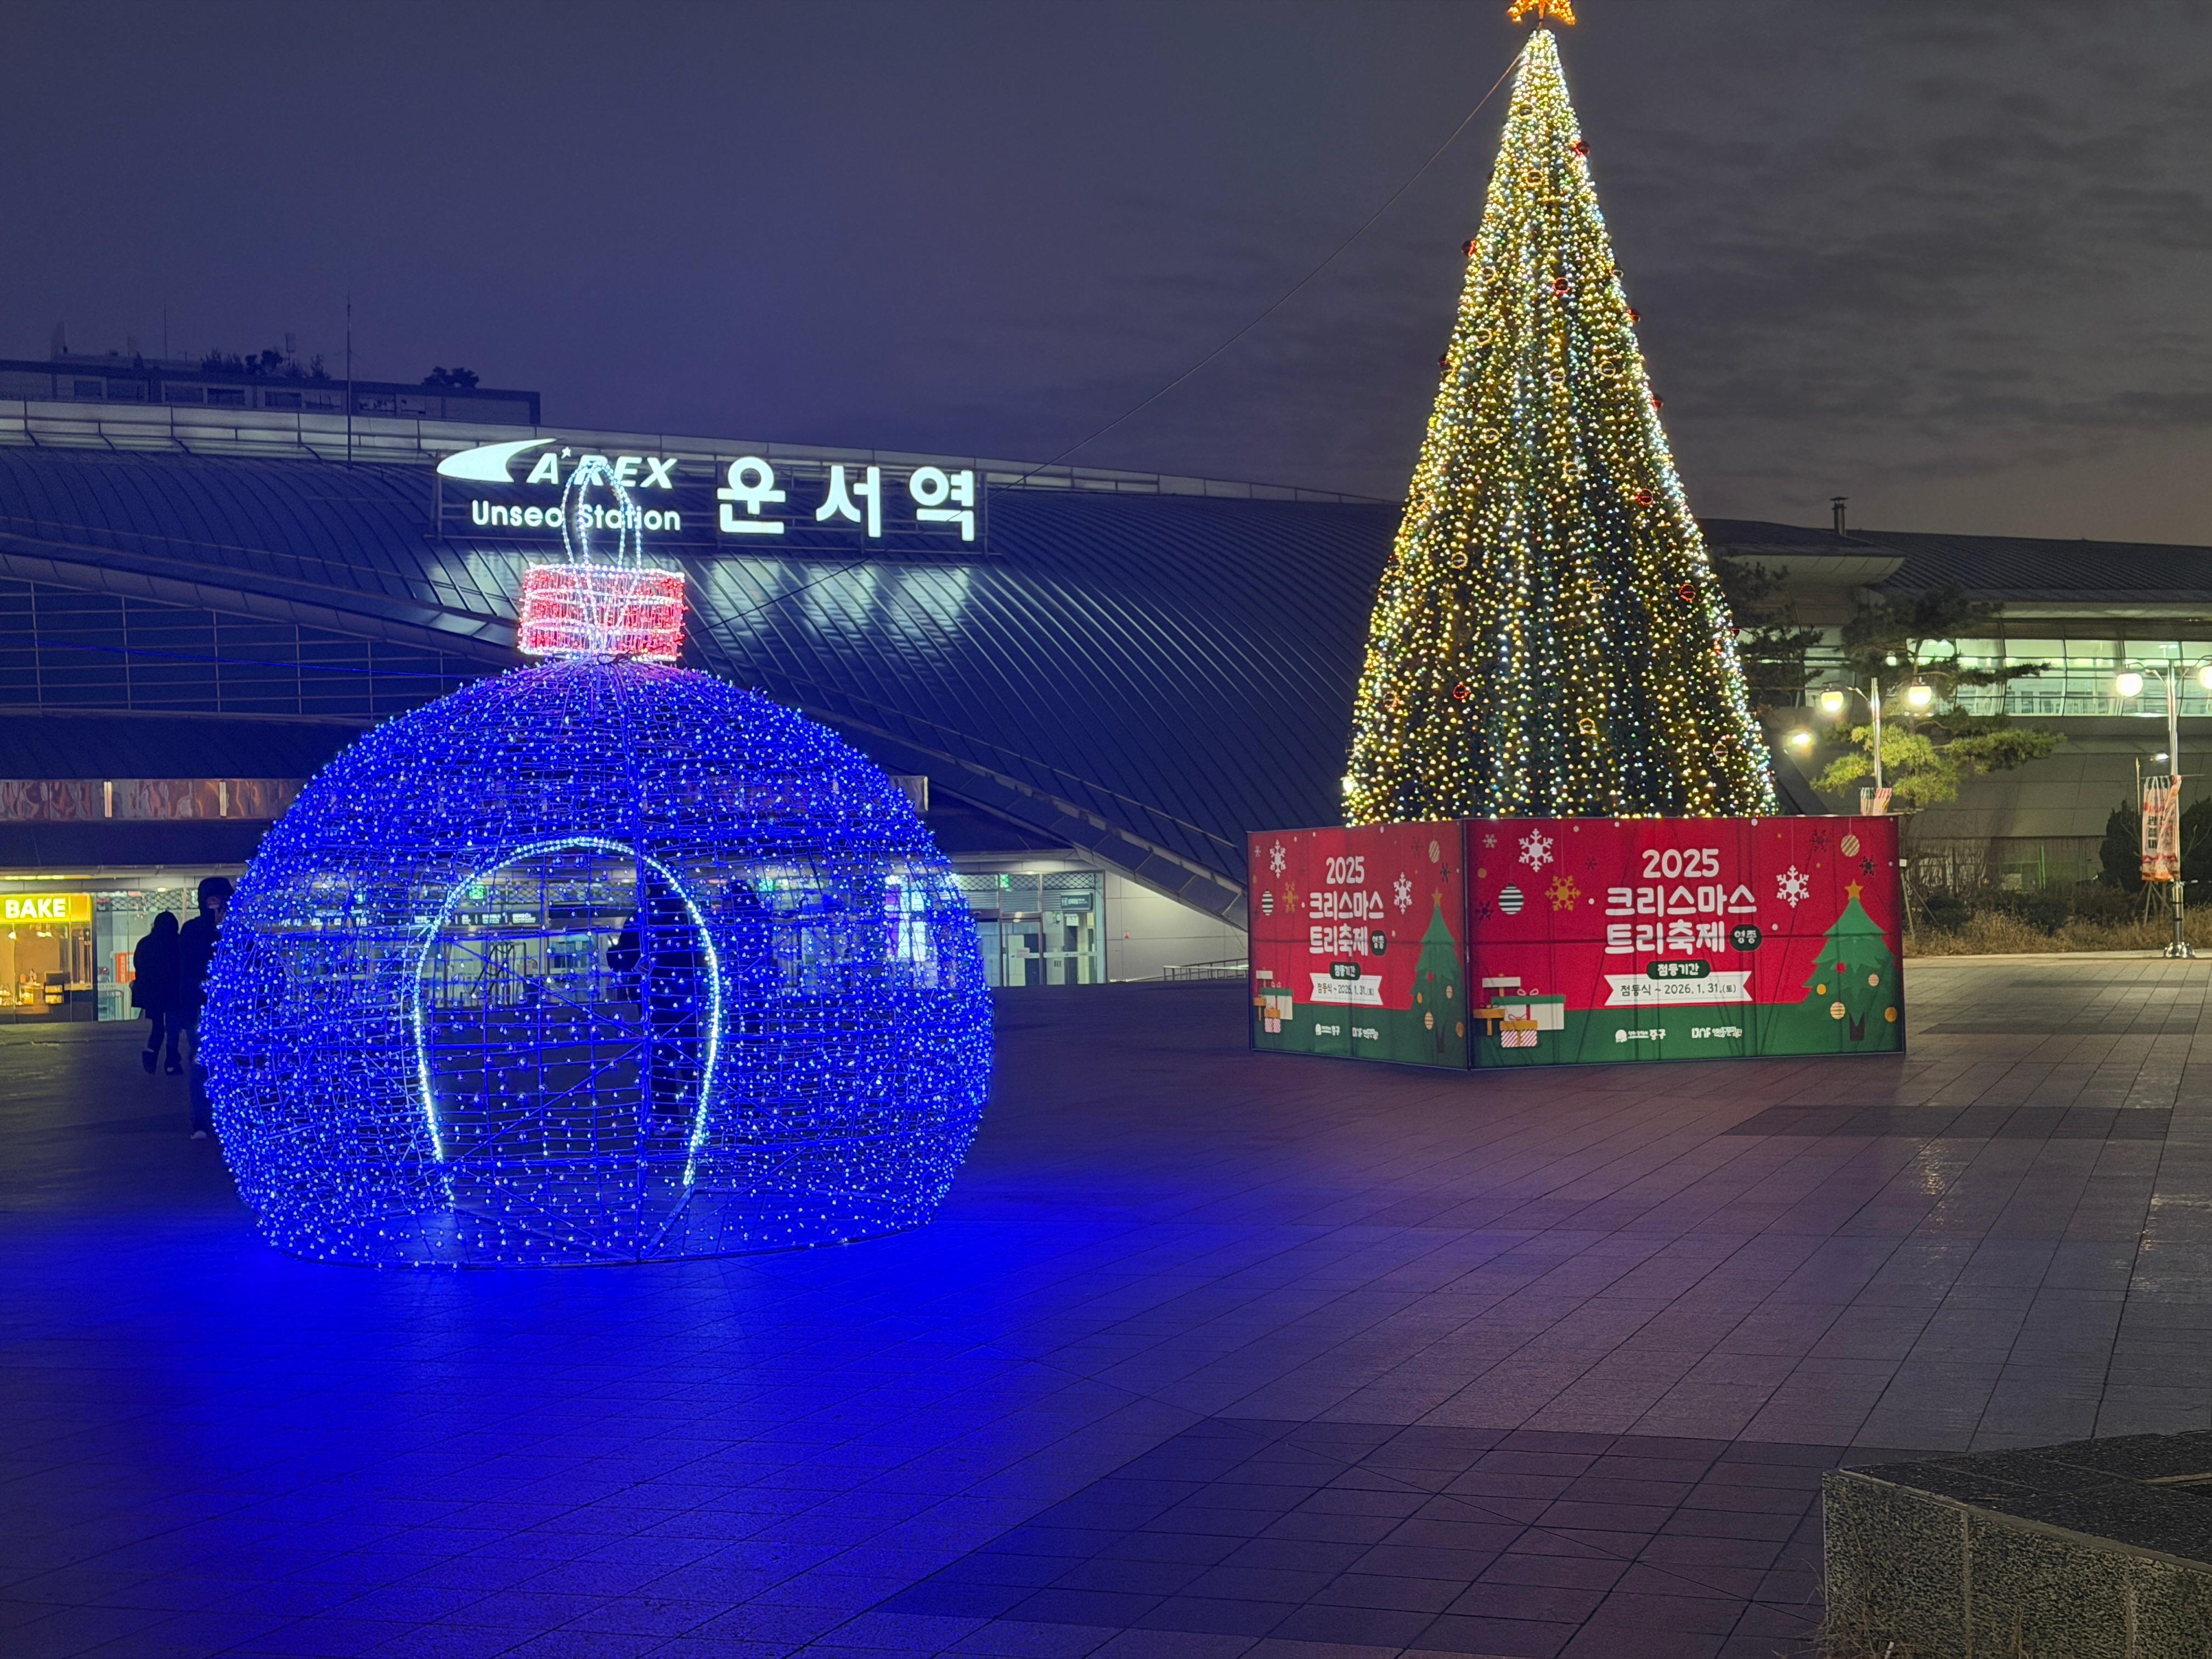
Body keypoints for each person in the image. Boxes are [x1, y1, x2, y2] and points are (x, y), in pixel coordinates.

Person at [175, 876, 232, 1139]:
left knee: (210, 1065)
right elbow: (189, 968)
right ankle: (203, 1118)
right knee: (203, 1065)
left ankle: (209, 1119)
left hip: (221, 1009)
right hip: (206, 1009)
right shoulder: (196, 931)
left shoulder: (234, 930)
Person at [132, 912, 183, 1075]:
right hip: (173, 991)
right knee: (173, 1027)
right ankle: (171, 1061)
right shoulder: (177, 943)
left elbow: (139, 966)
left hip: (152, 993)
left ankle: (151, 1054)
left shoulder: (145, 944)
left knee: (158, 1027)